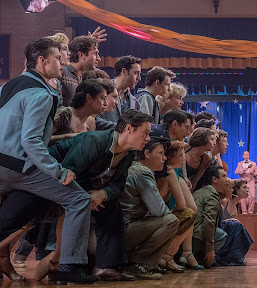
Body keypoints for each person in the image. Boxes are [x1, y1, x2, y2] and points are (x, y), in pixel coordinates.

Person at [0, 38, 96, 284]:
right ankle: (68, 265)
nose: (62, 63)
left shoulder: (8, 86)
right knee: (79, 199)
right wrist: (59, 172)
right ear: (43, 61)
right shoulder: (42, 94)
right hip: (20, 168)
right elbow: (31, 141)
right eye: (58, 58)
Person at [48, 109, 153, 281]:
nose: (148, 138)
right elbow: (67, 172)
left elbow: (119, 184)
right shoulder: (95, 140)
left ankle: (105, 266)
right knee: (80, 202)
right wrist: (88, 195)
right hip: (49, 179)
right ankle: (67, 266)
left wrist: (102, 194)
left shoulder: (130, 152)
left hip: (81, 186)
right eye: (145, 133)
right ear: (128, 129)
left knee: (111, 203)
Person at [120, 137, 180, 279]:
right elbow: (159, 211)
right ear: (147, 154)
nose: (165, 158)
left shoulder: (133, 168)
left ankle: (144, 263)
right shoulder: (143, 172)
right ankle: (139, 264)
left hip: (117, 227)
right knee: (171, 220)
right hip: (124, 229)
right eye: (161, 153)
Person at [157, 141, 199, 272]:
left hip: (152, 214)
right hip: (154, 217)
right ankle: (167, 256)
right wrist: (172, 214)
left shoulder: (161, 169)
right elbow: (181, 205)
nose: (184, 159)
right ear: (171, 156)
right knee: (188, 214)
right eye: (181, 155)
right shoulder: (170, 172)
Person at [192, 165, 229, 268]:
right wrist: (210, 249)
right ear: (214, 179)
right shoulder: (211, 195)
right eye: (224, 176)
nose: (227, 179)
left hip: (189, 235)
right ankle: (201, 258)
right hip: (195, 237)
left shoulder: (202, 191)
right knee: (221, 235)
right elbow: (209, 223)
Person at [215, 180, 254, 266]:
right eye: (244, 188)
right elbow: (217, 220)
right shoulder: (225, 201)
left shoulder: (235, 209)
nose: (247, 190)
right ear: (237, 190)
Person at [61, 36, 100, 107]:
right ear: (81, 55)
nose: (99, 59)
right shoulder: (62, 72)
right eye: (95, 54)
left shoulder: (81, 78)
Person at [101, 56, 141, 123]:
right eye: (136, 73)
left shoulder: (135, 102)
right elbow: (93, 119)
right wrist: (118, 128)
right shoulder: (102, 91)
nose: (139, 78)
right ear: (124, 71)